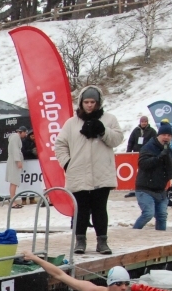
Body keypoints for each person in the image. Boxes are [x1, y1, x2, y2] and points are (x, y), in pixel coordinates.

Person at [53, 86, 124, 256]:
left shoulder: (109, 119)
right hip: (78, 172)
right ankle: (80, 241)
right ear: (81, 103)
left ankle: (102, 241)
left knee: (100, 208)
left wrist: (103, 130)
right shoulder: (71, 123)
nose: (90, 105)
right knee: (81, 209)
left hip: (101, 172)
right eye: (86, 102)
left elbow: (117, 139)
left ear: (98, 103)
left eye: (93, 102)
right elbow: (60, 145)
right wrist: (67, 163)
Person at [22, 256, 137, 291]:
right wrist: (34, 258)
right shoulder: (91, 290)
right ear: (109, 283)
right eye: (119, 284)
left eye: (126, 284)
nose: (124, 288)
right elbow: (59, 274)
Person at [133, 123, 172, 231]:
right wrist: (159, 157)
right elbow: (143, 164)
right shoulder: (148, 147)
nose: (166, 137)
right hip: (145, 188)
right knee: (148, 213)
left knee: (162, 216)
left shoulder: (169, 151)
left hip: (160, 190)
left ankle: (161, 240)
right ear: (158, 135)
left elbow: (170, 171)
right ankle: (133, 233)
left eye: (169, 135)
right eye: (164, 134)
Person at [6, 126, 27, 207]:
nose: (25, 135)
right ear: (21, 132)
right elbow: (15, 150)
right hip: (14, 162)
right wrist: (18, 161)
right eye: (25, 133)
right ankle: (12, 202)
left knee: (13, 182)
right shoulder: (15, 137)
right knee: (14, 181)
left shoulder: (14, 137)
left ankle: (13, 200)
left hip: (13, 160)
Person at [21, 130, 40, 206]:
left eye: (34, 136)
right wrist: (31, 151)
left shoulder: (37, 141)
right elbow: (22, 152)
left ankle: (32, 198)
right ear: (29, 136)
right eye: (32, 136)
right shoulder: (24, 142)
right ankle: (24, 199)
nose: (33, 137)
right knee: (25, 182)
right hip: (26, 163)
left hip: (34, 163)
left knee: (33, 182)